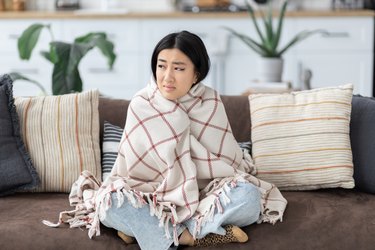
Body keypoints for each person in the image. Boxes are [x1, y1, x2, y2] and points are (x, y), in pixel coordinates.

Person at [44, 31, 287, 250]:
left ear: (196, 74)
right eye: (162, 66)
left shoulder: (210, 103)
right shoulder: (142, 104)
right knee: (110, 202)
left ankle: (147, 232)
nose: (167, 76)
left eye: (179, 68)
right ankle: (191, 236)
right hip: (152, 197)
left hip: (205, 195)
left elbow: (227, 163)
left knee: (248, 196)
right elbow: (130, 171)